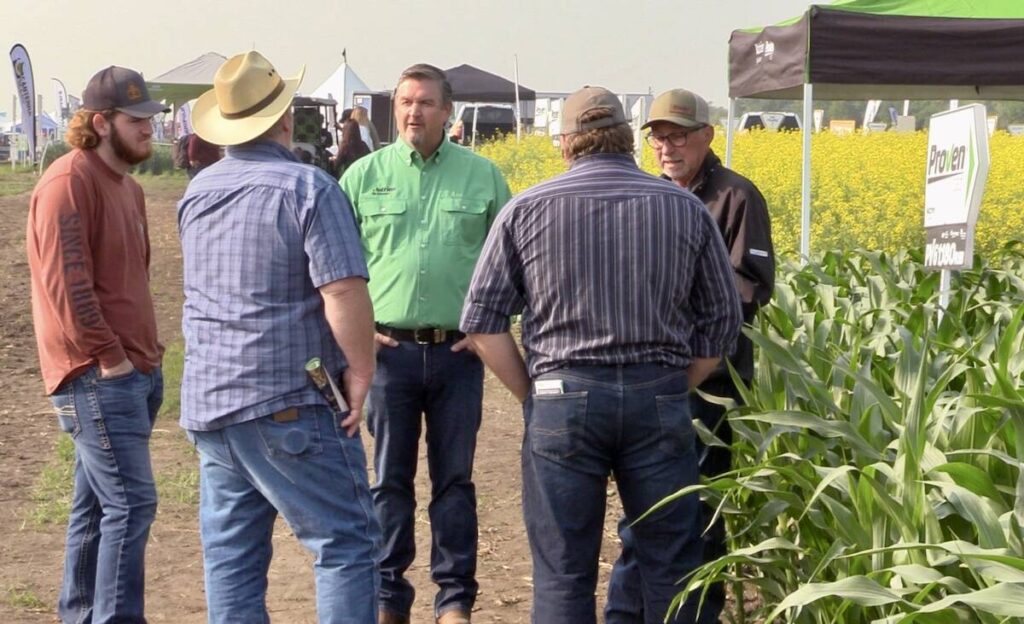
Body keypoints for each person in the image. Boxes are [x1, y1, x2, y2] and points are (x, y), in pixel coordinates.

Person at [460, 86, 742, 624]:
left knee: (564, 572)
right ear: (628, 140)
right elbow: (722, 320)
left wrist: (532, 392)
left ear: (566, 143)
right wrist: (674, 385)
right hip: (657, 395)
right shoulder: (683, 207)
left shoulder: (527, 208)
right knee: (671, 568)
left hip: (561, 398)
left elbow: (481, 322)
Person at [177, 51, 381, 623]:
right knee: (345, 545)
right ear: (286, 118)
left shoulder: (198, 191)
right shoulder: (307, 187)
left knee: (231, 557)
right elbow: (341, 292)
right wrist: (360, 371)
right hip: (286, 398)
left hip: (212, 401)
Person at [340, 63, 511, 624]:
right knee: (389, 480)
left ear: (448, 112)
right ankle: (389, 596)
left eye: (426, 103)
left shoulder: (484, 178)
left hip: (460, 354)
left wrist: (489, 324)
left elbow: (511, 263)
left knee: (454, 479)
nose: (414, 111)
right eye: (406, 102)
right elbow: (332, 266)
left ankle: (454, 598)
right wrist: (357, 333)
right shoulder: (362, 177)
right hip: (387, 356)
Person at [605, 88, 776, 624]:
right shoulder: (649, 197)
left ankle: (698, 613)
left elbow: (747, 289)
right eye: (658, 137)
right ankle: (626, 614)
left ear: (707, 135)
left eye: (679, 135)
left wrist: (680, 325)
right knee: (642, 508)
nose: (667, 147)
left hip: (709, 385)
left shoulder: (736, 197)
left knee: (700, 507)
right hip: (648, 381)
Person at [26, 65, 169, 623]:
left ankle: (80, 616)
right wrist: (110, 358)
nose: (147, 130)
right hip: (96, 376)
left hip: (133, 373)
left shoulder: (129, 189)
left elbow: (133, 276)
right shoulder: (68, 183)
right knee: (132, 506)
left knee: (96, 510)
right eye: (136, 120)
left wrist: (142, 361)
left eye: (149, 119)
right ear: (100, 122)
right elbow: (68, 286)